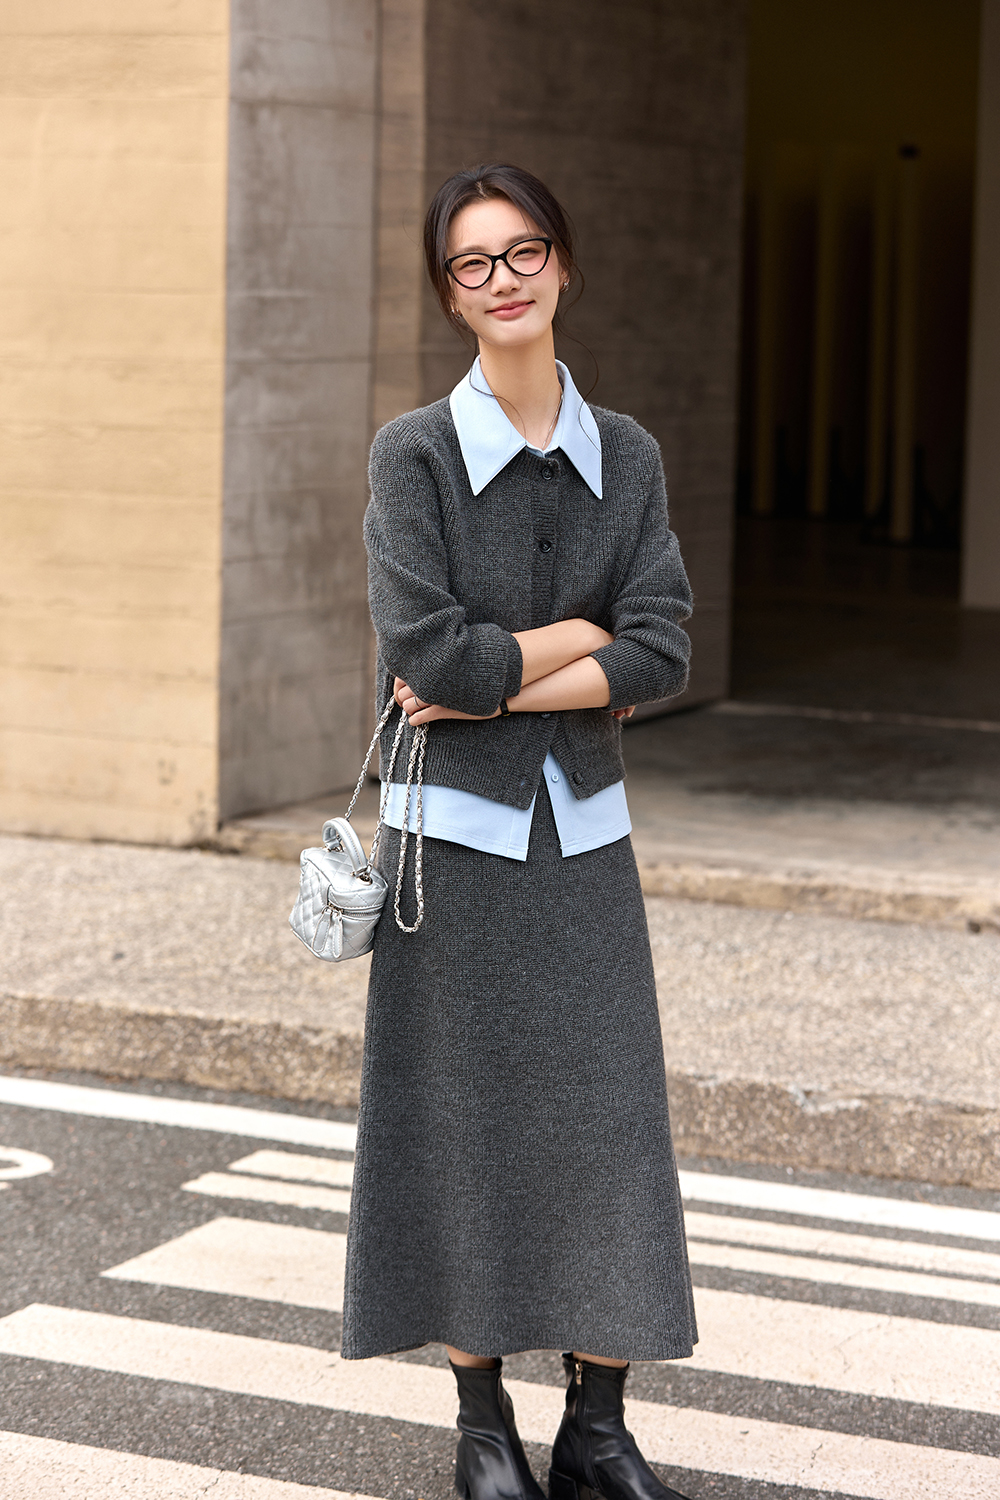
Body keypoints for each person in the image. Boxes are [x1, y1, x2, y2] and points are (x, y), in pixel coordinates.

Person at [342, 162, 697, 1500]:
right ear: (450, 293)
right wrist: (579, 638)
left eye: (524, 250)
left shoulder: (632, 457)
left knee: (610, 1128)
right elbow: (422, 648)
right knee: (463, 1131)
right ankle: (482, 1429)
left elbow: (661, 652)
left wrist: (504, 667)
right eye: (473, 263)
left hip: (587, 844)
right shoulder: (413, 454)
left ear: (563, 266)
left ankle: (597, 1427)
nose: (503, 278)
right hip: (452, 865)